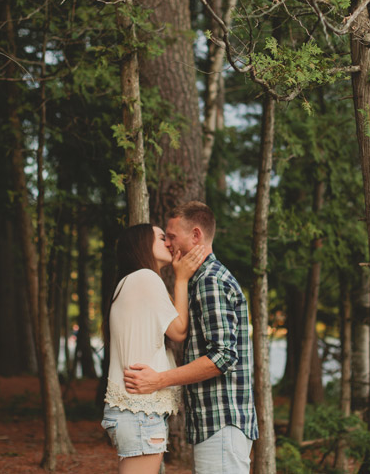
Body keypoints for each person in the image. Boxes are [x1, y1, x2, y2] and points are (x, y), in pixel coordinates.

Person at [123, 202, 259, 474]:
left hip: (222, 421)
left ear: (196, 235)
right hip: (216, 423)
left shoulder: (210, 280)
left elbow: (223, 356)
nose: (169, 243)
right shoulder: (200, 280)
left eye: (172, 236)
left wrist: (159, 380)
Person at [101, 223, 206, 474]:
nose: (169, 243)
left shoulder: (134, 282)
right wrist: (181, 279)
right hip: (140, 410)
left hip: (137, 410)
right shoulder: (145, 278)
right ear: (142, 245)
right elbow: (179, 331)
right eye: (162, 238)